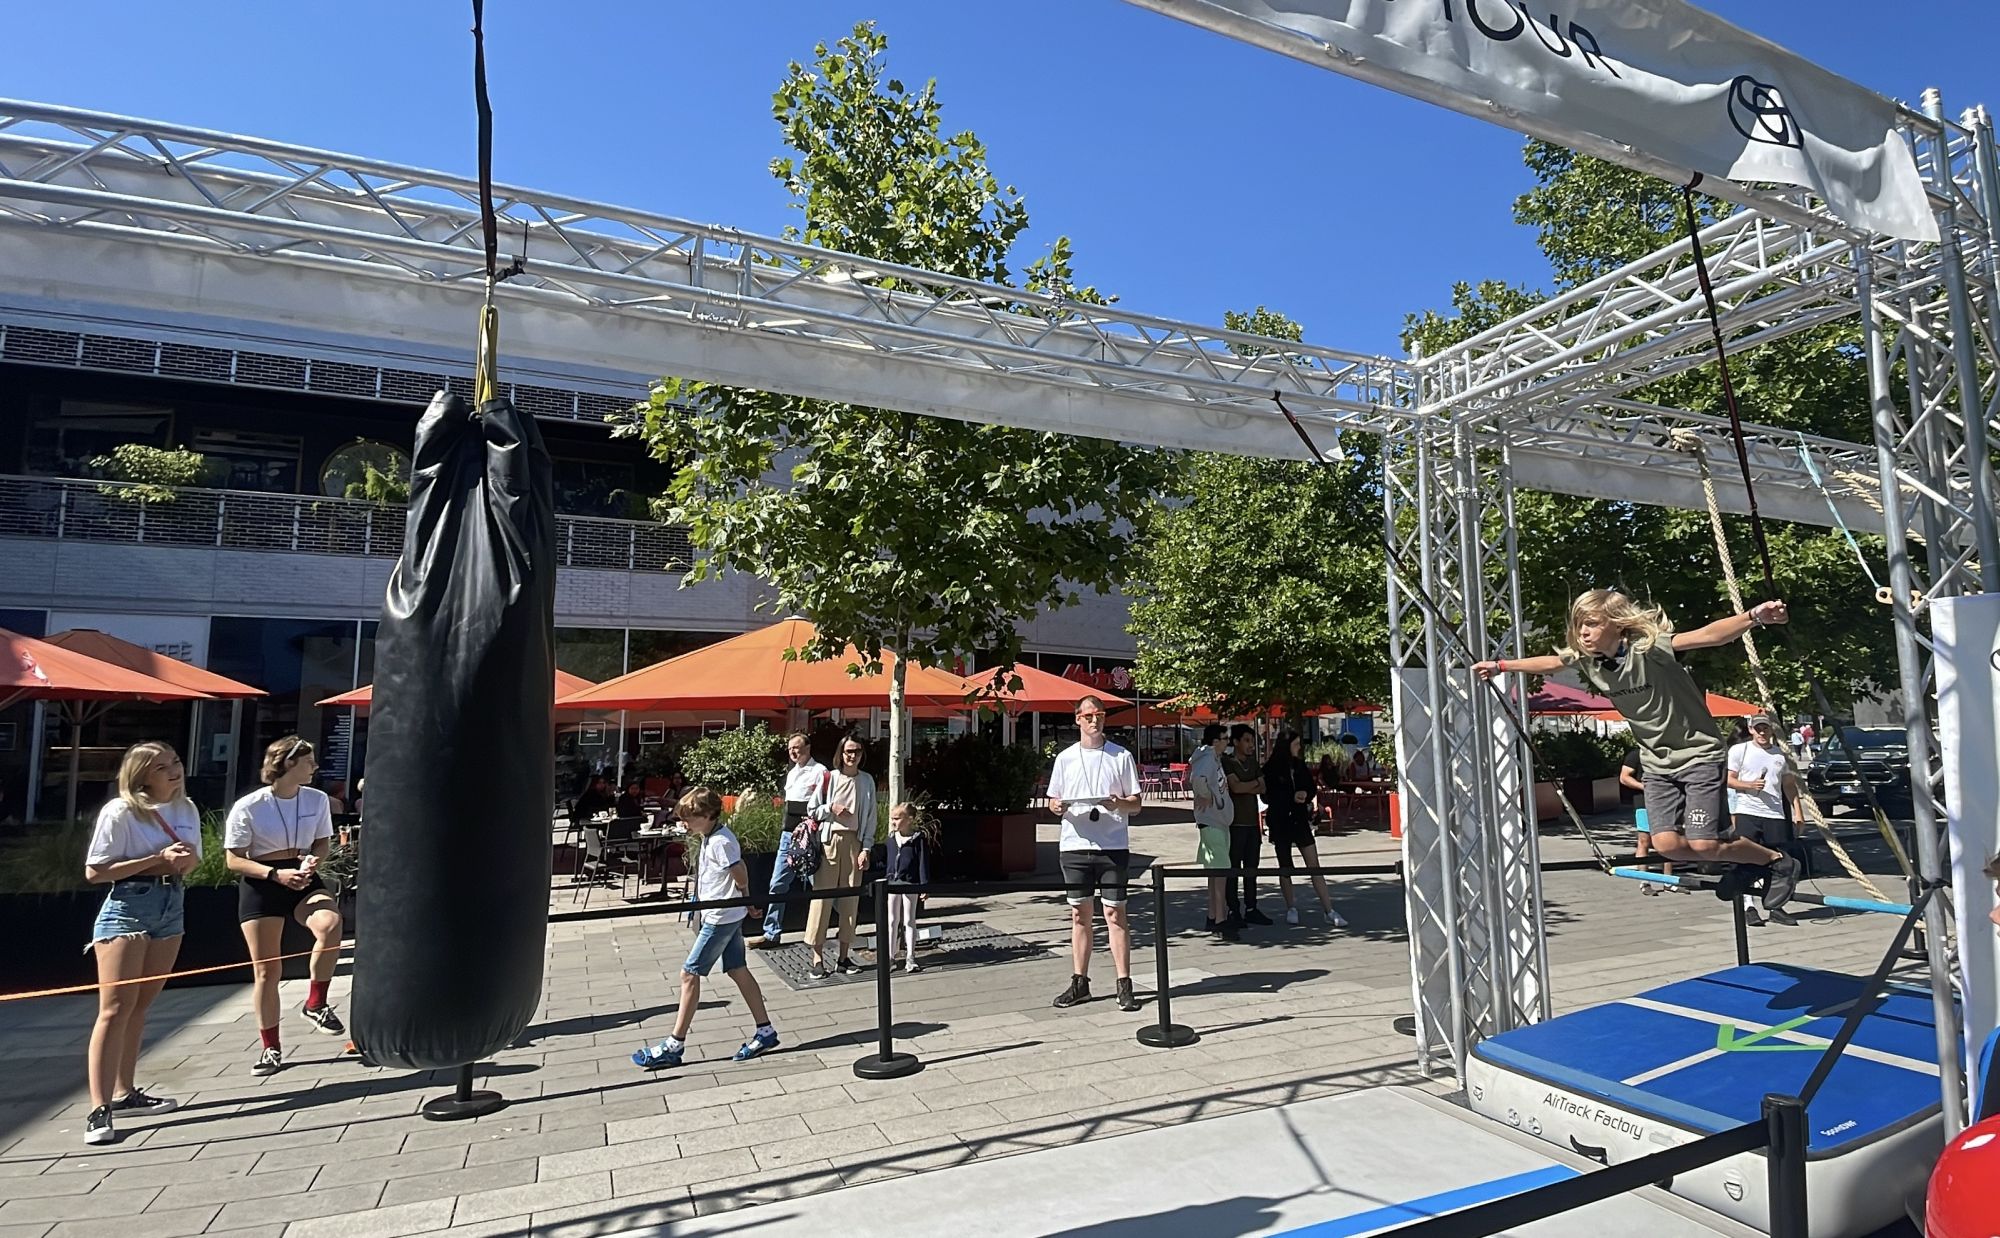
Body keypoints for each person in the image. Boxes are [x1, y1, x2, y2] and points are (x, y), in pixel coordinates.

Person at [1475, 591, 1801, 909]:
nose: (1583, 632)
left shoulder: (1649, 650)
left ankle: (1776, 861)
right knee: (1667, 846)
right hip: (1656, 761)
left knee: (1703, 842)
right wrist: (1501, 666)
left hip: (1698, 754)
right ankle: (1747, 864)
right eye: (1579, 625)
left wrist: (1753, 617)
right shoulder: (1587, 660)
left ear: (1616, 625)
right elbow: (1550, 663)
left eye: (1591, 624)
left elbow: (1706, 635)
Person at [81, 742, 200, 1145]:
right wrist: (155, 859)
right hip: (129, 904)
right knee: (114, 1008)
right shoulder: (121, 811)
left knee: (141, 1006)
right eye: (162, 767)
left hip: (172, 902)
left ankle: (125, 1092)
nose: (173, 771)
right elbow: (95, 871)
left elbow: (194, 859)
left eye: (176, 763)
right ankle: (99, 1110)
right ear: (142, 775)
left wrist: (183, 859)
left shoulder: (186, 808)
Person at [633, 786, 779, 1069]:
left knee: (689, 974)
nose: (685, 822)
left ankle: (675, 1044)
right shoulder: (711, 837)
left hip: (720, 918)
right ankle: (765, 1031)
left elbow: (739, 870)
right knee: (737, 969)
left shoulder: (721, 841)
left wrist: (746, 898)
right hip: (725, 913)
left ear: (709, 815)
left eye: (690, 817)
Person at [225, 736, 345, 1076]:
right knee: (267, 971)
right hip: (264, 880)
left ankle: (316, 1001)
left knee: (330, 923)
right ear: (289, 764)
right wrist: (275, 874)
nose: (315, 767)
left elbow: (322, 842)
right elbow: (233, 859)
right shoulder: (250, 805)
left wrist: (311, 863)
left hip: (302, 876)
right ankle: (270, 1047)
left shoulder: (317, 799)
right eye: (309, 761)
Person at [1046, 695, 1143, 1011]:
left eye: (1099, 715)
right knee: (1079, 915)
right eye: (1088, 715)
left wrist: (1119, 804)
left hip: (1112, 846)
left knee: (1115, 913)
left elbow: (1137, 804)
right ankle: (1080, 982)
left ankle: (1124, 983)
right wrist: (1056, 806)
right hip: (1075, 845)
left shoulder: (1120, 756)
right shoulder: (1065, 758)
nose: (1094, 720)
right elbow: (1053, 801)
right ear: (1077, 719)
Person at [804, 735, 876, 978]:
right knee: (822, 900)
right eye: (847, 751)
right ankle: (817, 958)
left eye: (856, 751)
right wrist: (830, 809)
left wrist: (866, 848)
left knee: (850, 902)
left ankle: (844, 957)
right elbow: (811, 810)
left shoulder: (866, 781)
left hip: (854, 842)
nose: (851, 755)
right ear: (840, 753)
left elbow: (871, 817)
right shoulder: (830, 778)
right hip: (829, 842)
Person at [1264, 731, 1349, 928]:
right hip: (1280, 820)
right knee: (1284, 864)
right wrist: (1290, 797)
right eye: (1295, 744)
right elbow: (1267, 797)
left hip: (1300, 819)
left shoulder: (1299, 765)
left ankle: (1329, 909)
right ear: (1286, 745)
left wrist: (1305, 793)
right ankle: (1291, 906)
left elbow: (1310, 787)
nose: (1299, 748)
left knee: (1314, 865)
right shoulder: (1271, 768)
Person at [754, 731, 828, 949]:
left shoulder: (820, 772)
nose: (793, 752)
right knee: (777, 883)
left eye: (796, 747)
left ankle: (840, 922)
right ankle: (771, 932)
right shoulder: (792, 773)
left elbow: (821, 804)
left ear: (807, 747)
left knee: (821, 884)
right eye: (790, 749)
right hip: (788, 836)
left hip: (808, 834)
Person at [1728, 715, 1800, 928]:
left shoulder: (1779, 754)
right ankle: (1748, 906)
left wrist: (1797, 811)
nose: (1762, 732)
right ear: (1751, 729)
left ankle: (1775, 905)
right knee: (1747, 857)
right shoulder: (1739, 751)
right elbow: (1729, 779)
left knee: (1776, 860)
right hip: (1748, 811)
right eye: (1758, 728)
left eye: (1765, 728)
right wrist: (1747, 785)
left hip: (1774, 814)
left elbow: (1788, 784)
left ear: (1771, 730)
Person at [1189, 723, 1237, 940]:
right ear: (1215, 741)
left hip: (1217, 820)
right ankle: (1221, 919)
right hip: (1213, 821)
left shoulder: (1212, 758)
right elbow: (1198, 779)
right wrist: (1206, 795)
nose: (1228, 742)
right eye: (1225, 738)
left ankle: (1213, 915)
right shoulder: (1208, 758)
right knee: (1220, 873)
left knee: (1215, 872)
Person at [1222, 725, 1271, 926]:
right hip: (1235, 823)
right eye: (1247, 741)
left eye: (1252, 741)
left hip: (1252, 823)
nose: (1251, 745)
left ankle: (1252, 908)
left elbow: (1263, 785)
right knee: (1233, 869)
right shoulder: (1228, 762)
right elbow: (1235, 787)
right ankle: (1233, 909)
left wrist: (1246, 786)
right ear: (1236, 742)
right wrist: (1251, 785)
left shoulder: (1253, 762)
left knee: (1252, 868)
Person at [884, 802, 932, 973]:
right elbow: (888, 860)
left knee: (909, 920)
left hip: (910, 883)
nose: (893, 822)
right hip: (892, 883)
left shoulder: (918, 840)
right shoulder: (891, 839)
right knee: (891, 920)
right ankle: (890, 956)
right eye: (892, 819)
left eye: (897, 818)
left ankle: (910, 956)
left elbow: (922, 863)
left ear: (909, 819)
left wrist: (924, 885)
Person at [1620, 747, 1674, 894]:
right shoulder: (1636, 754)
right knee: (1644, 841)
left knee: (1668, 839)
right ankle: (1644, 882)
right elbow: (1624, 777)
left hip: (1666, 801)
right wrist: (1644, 787)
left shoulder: (1666, 753)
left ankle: (1668, 881)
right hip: (1643, 802)